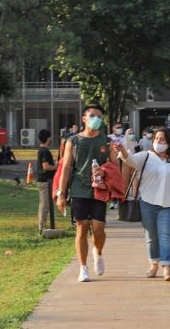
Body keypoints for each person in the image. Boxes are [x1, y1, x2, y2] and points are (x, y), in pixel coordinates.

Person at [113, 127, 170, 281]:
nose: (158, 142)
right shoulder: (145, 157)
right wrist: (123, 151)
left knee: (166, 235)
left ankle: (167, 268)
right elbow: (130, 160)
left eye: (162, 139)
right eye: (156, 139)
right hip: (148, 204)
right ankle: (154, 264)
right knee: (151, 236)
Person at [57, 104, 111, 282]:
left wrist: (105, 171)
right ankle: (83, 267)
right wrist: (61, 193)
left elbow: (114, 167)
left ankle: (98, 252)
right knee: (82, 227)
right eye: (93, 115)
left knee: (98, 228)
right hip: (79, 188)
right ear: (84, 119)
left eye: (100, 116)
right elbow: (65, 167)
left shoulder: (107, 141)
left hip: (99, 188)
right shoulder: (73, 141)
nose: (97, 119)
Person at [37, 129, 56, 234]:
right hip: (44, 181)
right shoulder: (45, 151)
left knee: (45, 204)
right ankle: (41, 228)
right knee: (45, 204)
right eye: (50, 137)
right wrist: (56, 167)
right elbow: (46, 166)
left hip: (44, 180)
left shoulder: (42, 149)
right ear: (48, 138)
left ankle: (42, 226)